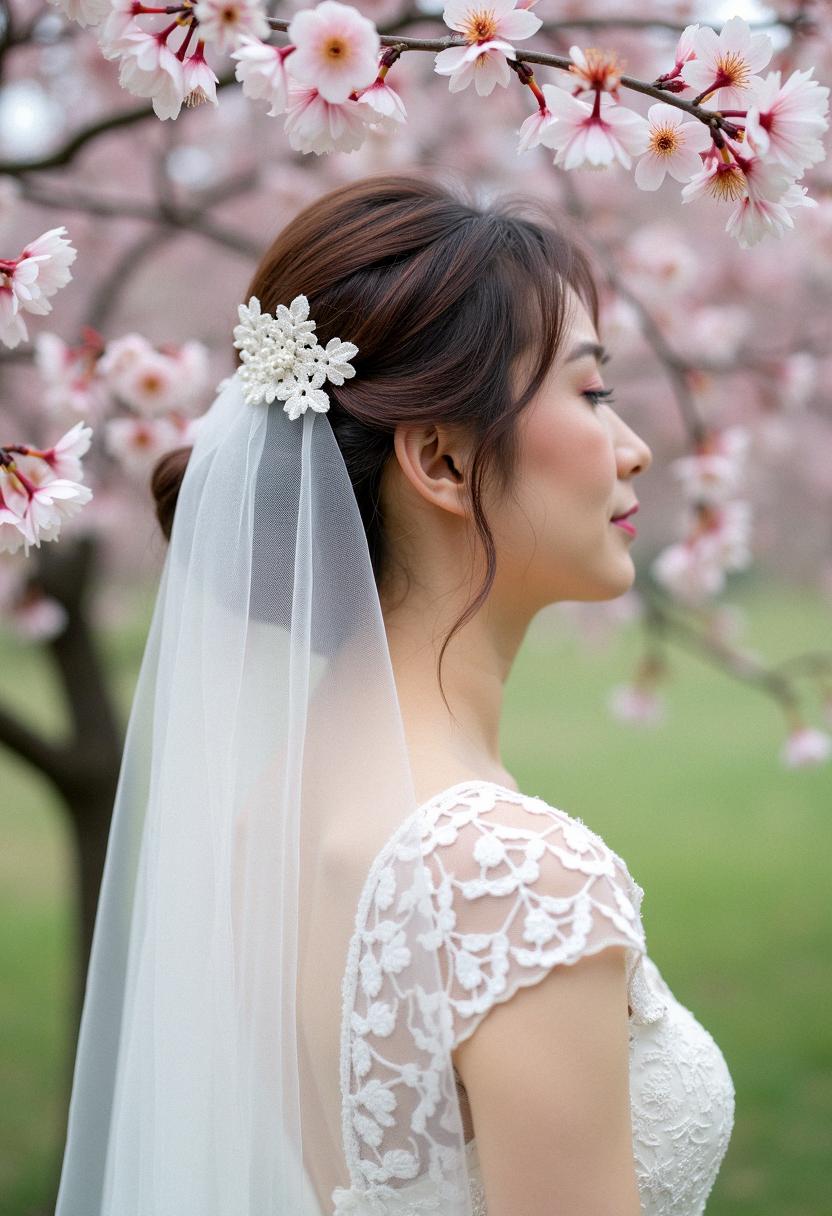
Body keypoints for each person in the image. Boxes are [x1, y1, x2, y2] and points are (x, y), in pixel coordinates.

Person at [55, 172, 735, 1216]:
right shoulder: (511, 878)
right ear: (441, 457)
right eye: (592, 393)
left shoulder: (276, 809)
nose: (634, 446)